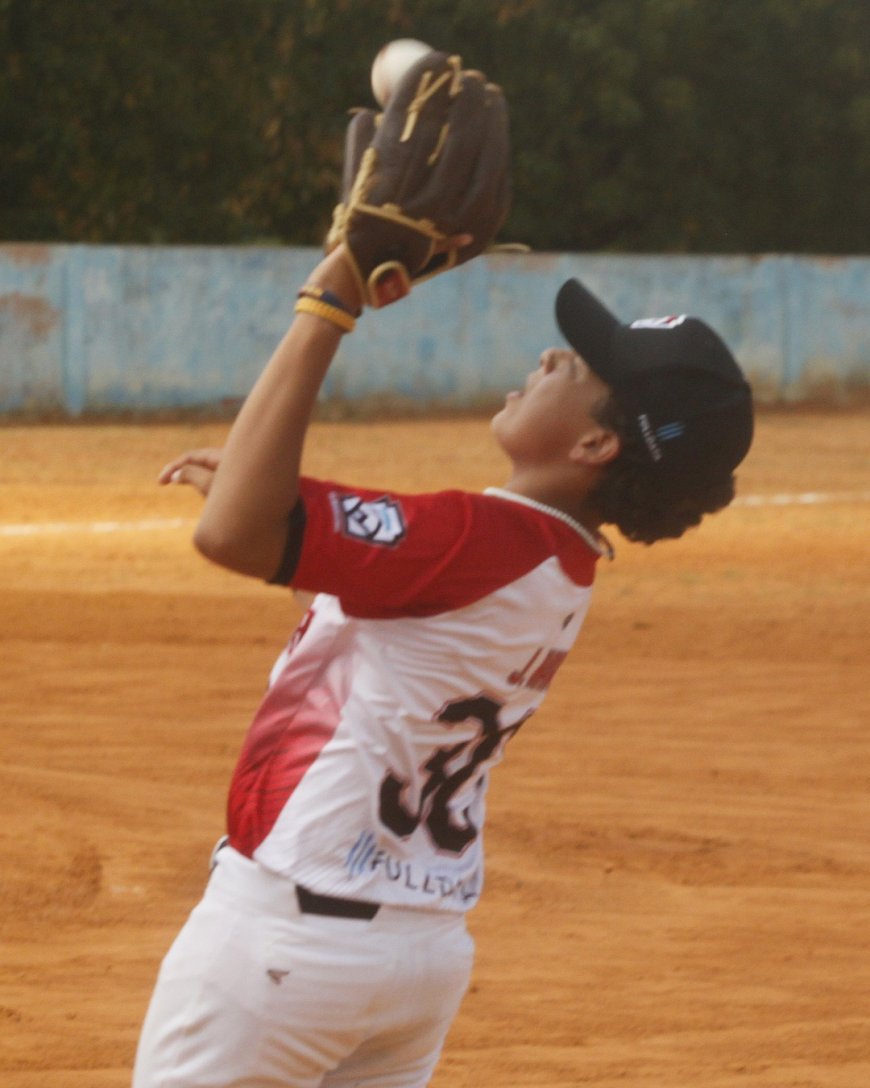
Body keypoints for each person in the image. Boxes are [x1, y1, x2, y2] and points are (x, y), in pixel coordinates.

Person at [133, 241, 753, 1087]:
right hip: (416, 958)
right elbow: (389, 616)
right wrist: (260, 494)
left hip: (288, 954)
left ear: (597, 444)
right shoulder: (561, 567)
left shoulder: (477, 540)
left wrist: (330, 298)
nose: (553, 356)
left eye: (585, 365)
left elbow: (233, 535)